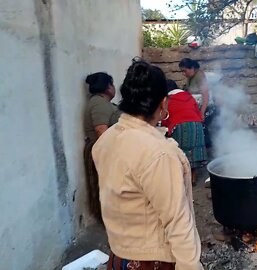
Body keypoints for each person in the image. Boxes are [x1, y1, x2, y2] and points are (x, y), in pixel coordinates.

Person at [92, 59, 202, 270]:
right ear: (163, 103)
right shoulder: (159, 153)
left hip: (119, 258)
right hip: (152, 262)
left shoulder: (106, 140)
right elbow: (177, 222)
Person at [83, 72, 121, 222]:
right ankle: (108, 219)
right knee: (104, 185)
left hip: (105, 148)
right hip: (102, 149)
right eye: (112, 84)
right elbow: (101, 130)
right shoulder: (99, 103)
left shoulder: (103, 102)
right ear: (107, 87)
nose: (113, 88)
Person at [162, 80, 207, 186]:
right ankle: (193, 178)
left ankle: (183, 178)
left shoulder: (167, 100)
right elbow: (197, 111)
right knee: (193, 152)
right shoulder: (188, 96)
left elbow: (165, 117)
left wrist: (165, 126)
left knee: (181, 153)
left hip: (180, 126)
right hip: (196, 125)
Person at [179, 58, 215, 148]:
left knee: (205, 131)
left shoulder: (200, 76)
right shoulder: (190, 77)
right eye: (181, 71)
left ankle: (209, 152)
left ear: (192, 68)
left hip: (206, 108)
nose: (183, 74)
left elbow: (205, 95)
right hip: (197, 108)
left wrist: (202, 113)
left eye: (184, 71)